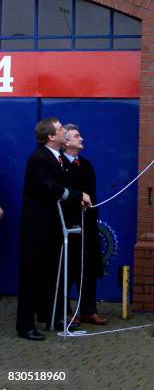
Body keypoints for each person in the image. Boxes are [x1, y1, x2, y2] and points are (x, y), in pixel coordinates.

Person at [16, 118, 91, 341]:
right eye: (60, 130)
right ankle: (25, 325)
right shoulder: (40, 159)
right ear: (51, 136)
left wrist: (77, 198)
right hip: (37, 227)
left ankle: (52, 316)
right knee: (31, 276)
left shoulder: (58, 159)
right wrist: (79, 196)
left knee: (52, 274)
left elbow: (66, 186)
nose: (64, 133)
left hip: (53, 226)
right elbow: (52, 188)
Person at [62, 124, 107, 325]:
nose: (81, 138)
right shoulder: (59, 164)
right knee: (69, 268)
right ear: (66, 142)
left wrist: (90, 207)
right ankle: (66, 311)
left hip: (87, 224)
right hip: (70, 225)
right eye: (76, 136)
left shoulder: (86, 164)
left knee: (88, 268)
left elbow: (93, 193)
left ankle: (89, 310)